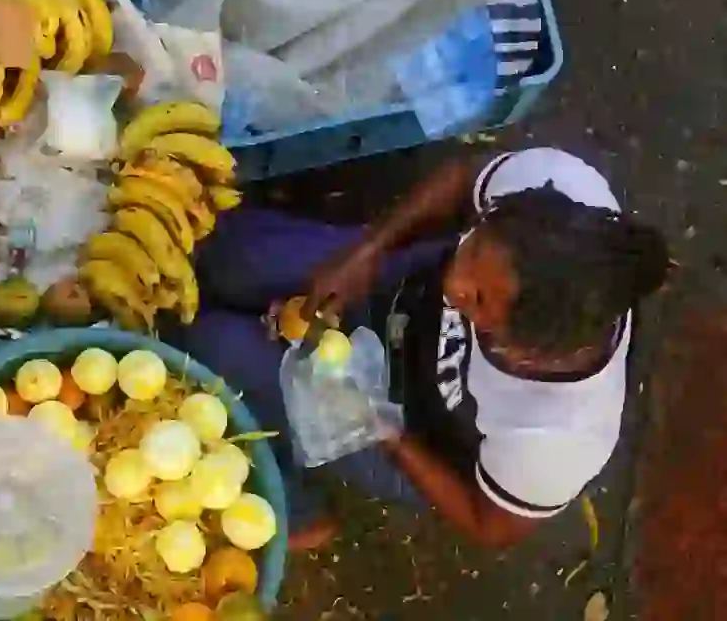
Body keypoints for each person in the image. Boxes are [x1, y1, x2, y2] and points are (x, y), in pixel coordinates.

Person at [165, 148, 668, 551]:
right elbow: (460, 180)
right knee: (221, 248)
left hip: (405, 425)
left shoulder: (556, 440)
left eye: (479, 300)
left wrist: (380, 429)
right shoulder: (558, 196)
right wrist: (368, 253)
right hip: (391, 289)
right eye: (472, 248)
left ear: (532, 355)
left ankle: (298, 512)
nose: (452, 284)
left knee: (213, 349)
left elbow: (488, 524)